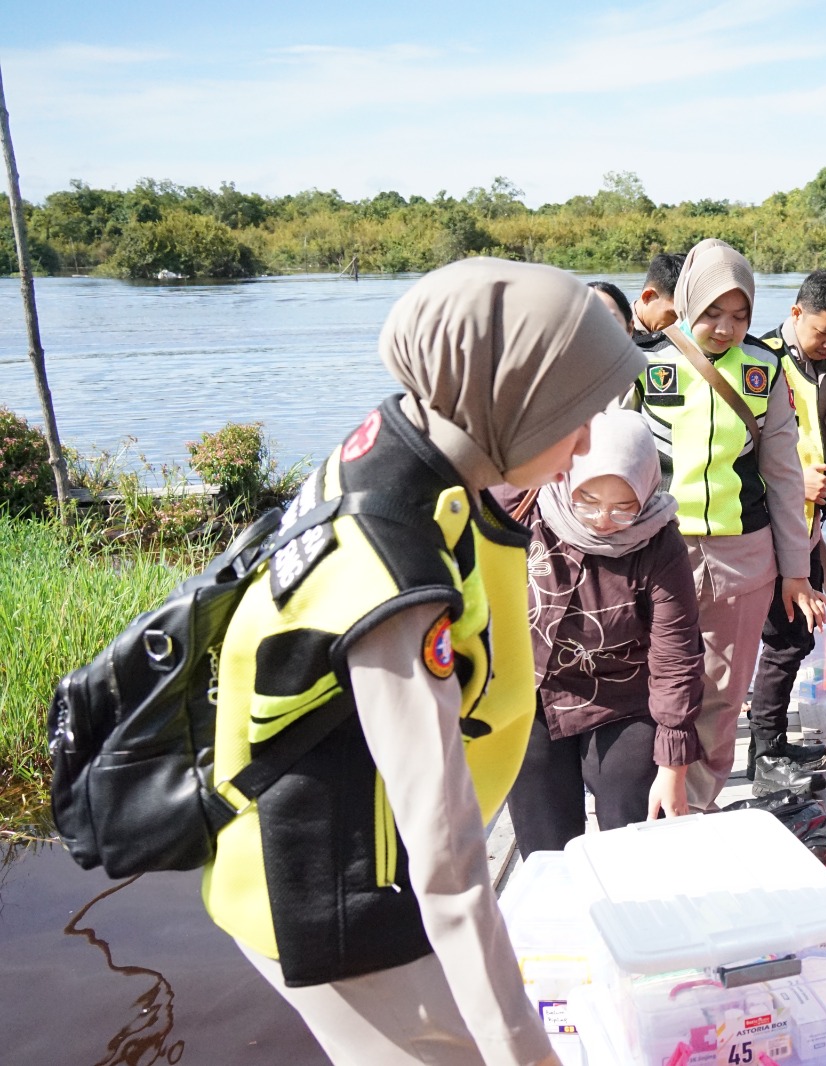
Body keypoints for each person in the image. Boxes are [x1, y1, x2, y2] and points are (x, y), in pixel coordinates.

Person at [202, 259, 644, 1066]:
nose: (585, 445)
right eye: (573, 416)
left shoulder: (402, 445)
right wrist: (526, 1054)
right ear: (507, 398)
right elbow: (450, 875)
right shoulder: (394, 571)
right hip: (334, 894)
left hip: (330, 848)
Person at [629, 238, 825, 810]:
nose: (725, 328)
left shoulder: (766, 370)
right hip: (656, 552)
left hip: (744, 556)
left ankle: (696, 803)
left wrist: (795, 571)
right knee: (656, 681)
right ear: (687, 301)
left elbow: (785, 477)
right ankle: (645, 800)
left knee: (721, 688)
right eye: (713, 312)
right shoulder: (646, 364)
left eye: (739, 316)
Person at [499, 407, 703, 854]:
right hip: (532, 691)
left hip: (621, 698)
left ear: (647, 491)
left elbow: (676, 652)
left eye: (623, 507)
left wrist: (673, 766)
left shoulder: (660, 543)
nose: (602, 519)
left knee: (629, 825)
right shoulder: (525, 506)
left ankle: (631, 910)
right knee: (545, 842)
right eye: (587, 500)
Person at [747, 268, 826, 792]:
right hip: (766, 521)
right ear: (796, 313)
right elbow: (735, 444)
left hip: (809, 523)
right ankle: (764, 752)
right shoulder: (759, 360)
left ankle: (769, 743)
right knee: (785, 635)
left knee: (794, 637)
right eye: (824, 331)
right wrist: (794, 479)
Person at [631, 251, 685, 336]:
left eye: (685, 317)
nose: (680, 324)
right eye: (674, 314)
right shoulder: (617, 331)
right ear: (648, 296)